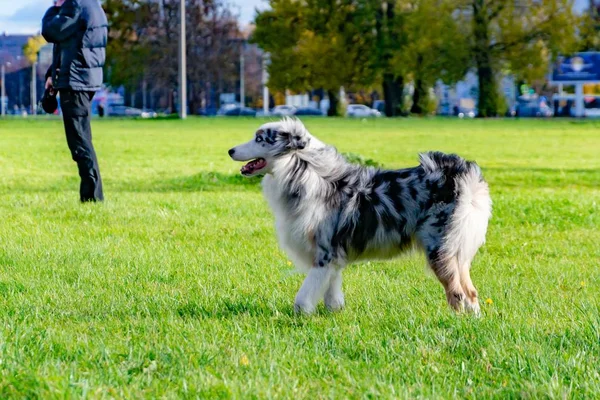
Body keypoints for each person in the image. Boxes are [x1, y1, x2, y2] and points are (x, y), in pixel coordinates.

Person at [42, 0, 108, 202]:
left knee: (79, 142)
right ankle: (92, 195)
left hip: (76, 81)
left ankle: (92, 197)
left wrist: (54, 9)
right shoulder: (93, 5)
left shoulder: (74, 4)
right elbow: (71, 43)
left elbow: (51, 31)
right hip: (83, 78)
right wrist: (52, 74)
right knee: (83, 139)